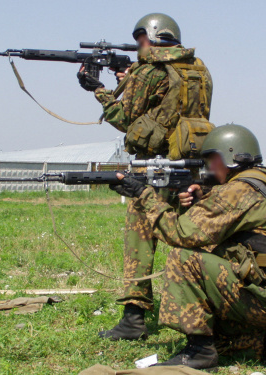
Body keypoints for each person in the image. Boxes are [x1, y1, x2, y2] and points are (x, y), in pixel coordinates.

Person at [109, 124, 266, 371]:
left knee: (183, 258)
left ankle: (199, 352)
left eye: (212, 159)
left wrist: (144, 195)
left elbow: (180, 234)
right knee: (223, 339)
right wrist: (205, 195)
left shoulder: (238, 191)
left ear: (231, 155)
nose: (208, 167)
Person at [78, 13, 213, 341]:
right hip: (193, 167)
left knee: (140, 240)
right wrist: (130, 78)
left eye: (140, 40)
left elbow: (125, 118)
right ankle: (208, 312)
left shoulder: (149, 70)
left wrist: (98, 90)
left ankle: (134, 319)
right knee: (196, 238)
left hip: (155, 168)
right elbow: (169, 107)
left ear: (149, 37)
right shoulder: (198, 68)